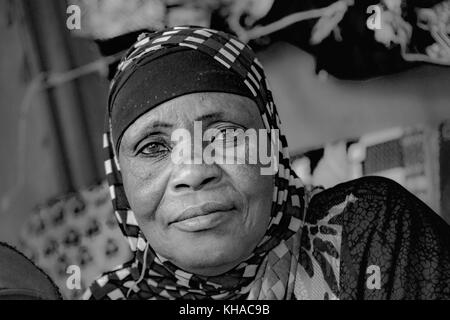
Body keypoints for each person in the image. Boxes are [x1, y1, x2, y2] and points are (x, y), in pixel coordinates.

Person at [84, 26, 450, 300]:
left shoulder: (371, 231)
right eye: (153, 147)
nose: (194, 172)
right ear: (120, 182)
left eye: (225, 135)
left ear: (272, 147)